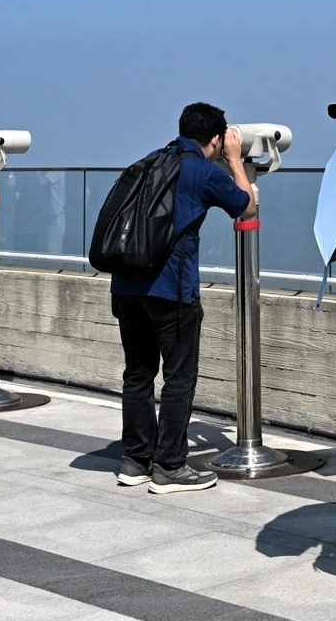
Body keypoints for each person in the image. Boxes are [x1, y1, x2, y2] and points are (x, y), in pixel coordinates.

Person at [110, 103, 257, 494]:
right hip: (170, 291)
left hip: (126, 286)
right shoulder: (202, 170)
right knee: (179, 378)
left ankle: (135, 461)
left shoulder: (149, 162)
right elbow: (247, 207)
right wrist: (235, 160)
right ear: (214, 139)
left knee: (138, 374)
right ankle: (170, 467)